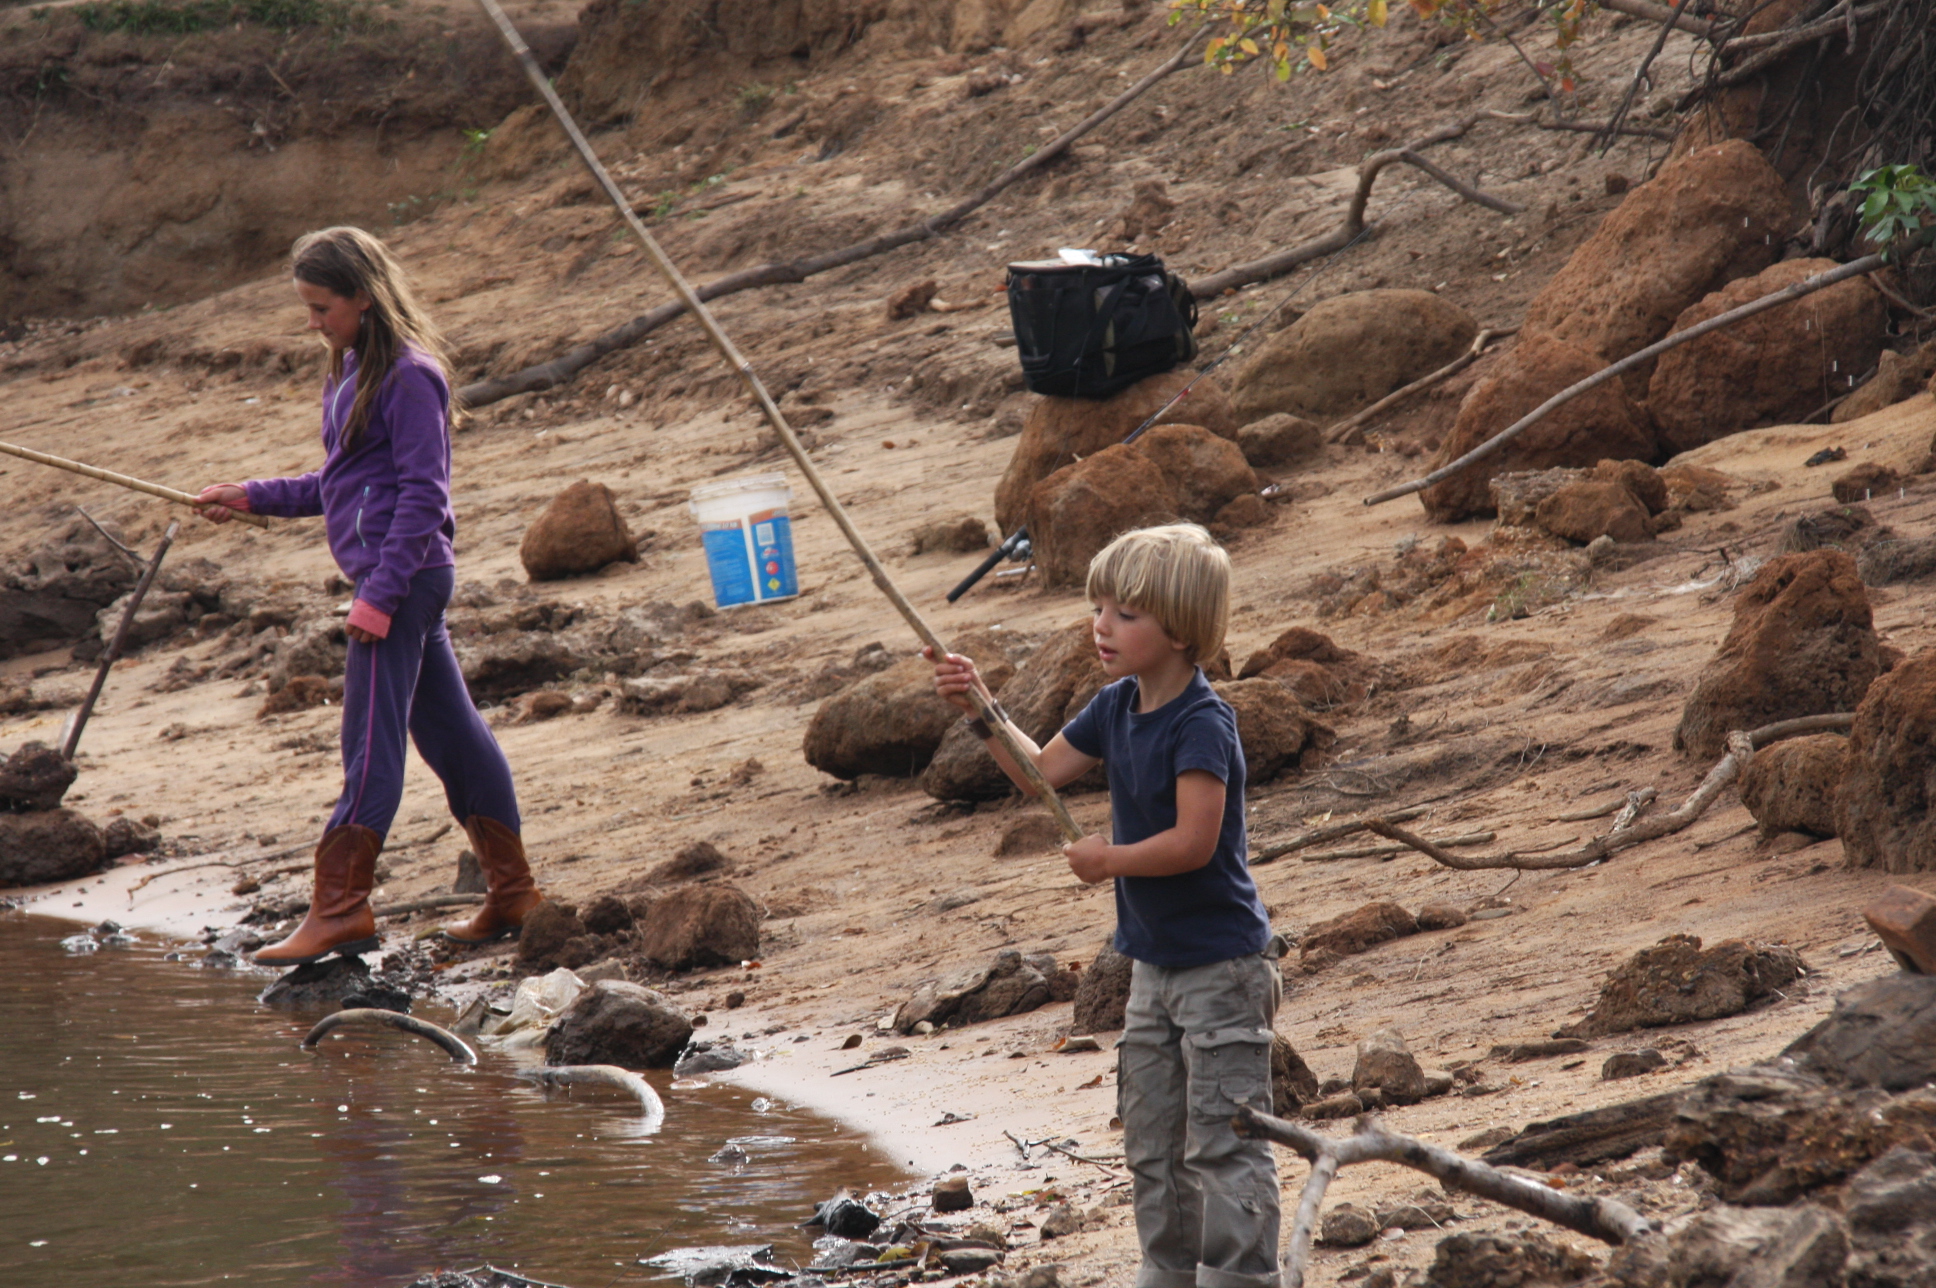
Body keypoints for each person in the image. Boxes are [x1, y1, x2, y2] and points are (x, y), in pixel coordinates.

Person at [928, 523, 1281, 1288]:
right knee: (1152, 1141)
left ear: (1180, 631)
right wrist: (979, 705)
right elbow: (1040, 771)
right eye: (1099, 609)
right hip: (1152, 968)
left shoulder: (1202, 721)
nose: (1102, 626)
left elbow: (1194, 841)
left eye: (1125, 613)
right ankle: (1168, 1272)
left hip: (1223, 969)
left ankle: (1241, 1278)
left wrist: (1108, 860)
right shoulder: (1116, 705)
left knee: (1225, 1139)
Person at [196, 226, 543, 966]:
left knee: (369, 747)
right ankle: (513, 894)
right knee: (452, 737)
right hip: (400, 580)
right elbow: (341, 483)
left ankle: (342, 910)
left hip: (403, 580)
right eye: (307, 308)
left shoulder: (411, 375)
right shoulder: (351, 368)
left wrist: (379, 596)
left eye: (321, 307)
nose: (312, 323)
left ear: (363, 296)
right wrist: (252, 495)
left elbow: (424, 496)